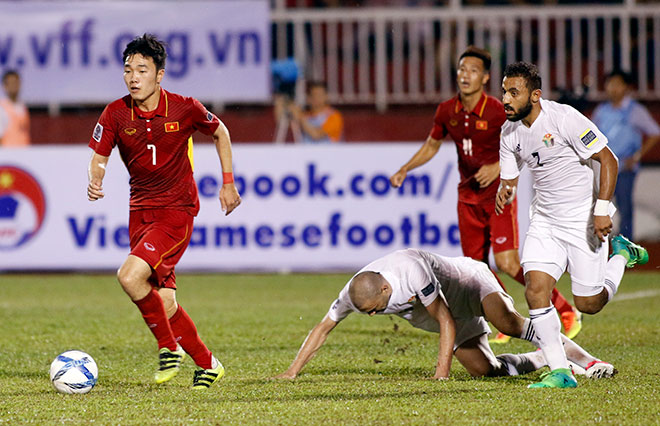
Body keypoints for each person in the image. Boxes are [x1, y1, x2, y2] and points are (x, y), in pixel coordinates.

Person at [389, 46, 581, 343]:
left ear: (485, 77)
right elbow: (431, 145)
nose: (466, 76)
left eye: (473, 71)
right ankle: (504, 318)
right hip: (467, 198)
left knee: (507, 262)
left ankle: (564, 308)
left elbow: (523, 141)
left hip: (498, 197)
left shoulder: (496, 110)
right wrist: (405, 168)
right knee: (476, 270)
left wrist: (496, 167)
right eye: (462, 69)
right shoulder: (447, 110)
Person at [87, 34, 241, 389]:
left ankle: (168, 346)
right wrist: (95, 179)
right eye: (128, 70)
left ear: (160, 75)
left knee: (129, 276)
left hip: (176, 211)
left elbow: (221, 132)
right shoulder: (115, 112)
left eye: (142, 69)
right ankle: (208, 364)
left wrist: (228, 182)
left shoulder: (185, 107)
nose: (133, 77)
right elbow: (99, 157)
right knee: (165, 301)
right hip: (139, 212)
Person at [496, 61, 648, 389]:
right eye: (503, 92)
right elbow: (509, 177)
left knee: (588, 304)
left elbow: (608, 159)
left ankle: (621, 254)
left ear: (535, 95)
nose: (505, 99)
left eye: (513, 92)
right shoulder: (509, 133)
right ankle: (560, 371)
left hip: (582, 220)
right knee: (536, 290)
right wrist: (504, 190)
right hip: (545, 222)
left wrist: (603, 210)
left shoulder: (563, 119)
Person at [272, 249, 616, 381]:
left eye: (375, 310)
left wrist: (441, 374)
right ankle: (544, 358)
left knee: (510, 324)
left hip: (468, 283)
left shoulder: (410, 272)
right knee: (487, 371)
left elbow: (445, 320)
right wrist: (291, 372)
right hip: (448, 308)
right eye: (367, 314)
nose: (374, 316)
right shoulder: (356, 292)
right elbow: (322, 328)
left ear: (384, 291)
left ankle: (589, 362)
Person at [592, 70, 660, 239]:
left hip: (624, 168)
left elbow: (654, 132)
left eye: (617, 84)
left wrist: (637, 156)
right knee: (597, 206)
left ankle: (626, 249)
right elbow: (590, 136)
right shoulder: (602, 110)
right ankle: (595, 245)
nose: (612, 88)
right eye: (609, 84)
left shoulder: (635, 110)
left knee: (625, 208)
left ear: (627, 87)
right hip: (603, 167)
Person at [0, 70, 30, 147]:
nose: (14, 86)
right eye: (10, 83)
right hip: (8, 154)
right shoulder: (2, 108)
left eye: (16, 82)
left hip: (24, 153)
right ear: (4, 86)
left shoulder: (22, 107)